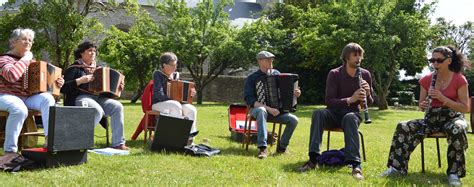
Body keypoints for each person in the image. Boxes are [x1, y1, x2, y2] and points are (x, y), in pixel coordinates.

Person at [381, 46, 470, 186]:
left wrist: (443, 98)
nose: (435, 64)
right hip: (431, 118)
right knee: (403, 126)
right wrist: (422, 105)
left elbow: (466, 107)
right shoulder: (426, 79)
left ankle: (454, 173)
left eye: (439, 60)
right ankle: (397, 168)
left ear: (449, 61)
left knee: (457, 129)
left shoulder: (460, 79)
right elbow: (422, 105)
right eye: (432, 60)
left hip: (453, 117)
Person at [297, 43, 373, 180]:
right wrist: (350, 99)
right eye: (355, 55)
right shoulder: (335, 74)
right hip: (333, 113)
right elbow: (329, 101)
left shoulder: (365, 74)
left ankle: (356, 165)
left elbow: (371, 102)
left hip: (352, 115)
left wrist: (367, 94)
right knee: (318, 113)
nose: (358, 58)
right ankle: (313, 160)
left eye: (360, 55)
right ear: (346, 57)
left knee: (350, 117)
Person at [0, 28, 64, 155]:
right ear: (13, 42)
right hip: (5, 95)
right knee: (19, 109)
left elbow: (41, 85)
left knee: (48, 98)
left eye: (30, 40)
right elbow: (11, 76)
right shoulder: (3, 59)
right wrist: (25, 59)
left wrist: (57, 83)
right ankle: (10, 151)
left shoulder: (32, 64)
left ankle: (50, 141)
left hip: (26, 98)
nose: (28, 42)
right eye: (24, 39)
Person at [61, 41, 128, 150]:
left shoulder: (100, 69)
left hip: (99, 98)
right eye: (89, 51)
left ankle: (118, 143)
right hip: (80, 97)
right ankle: (78, 139)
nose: (93, 53)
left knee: (117, 106)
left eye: (94, 51)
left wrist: (118, 88)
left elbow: (107, 90)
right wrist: (80, 80)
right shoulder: (74, 68)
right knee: (96, 110)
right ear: (81, 53)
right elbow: (63, 88)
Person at [243, 50, 301, 159]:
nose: (271, 61)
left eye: (272, 59)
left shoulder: (277, 74)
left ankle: (281, 148)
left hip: (277, 112)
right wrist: (269, 108)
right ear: (259, 61)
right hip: (257, 111)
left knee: (294, 120)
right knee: (261, 110)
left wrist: (295, 93)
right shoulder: (252, 78)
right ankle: (262, 148)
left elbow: (286, 92)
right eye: (267, 59)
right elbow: (249, 99)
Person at [151, 52, 198, 144]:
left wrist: (191, 94)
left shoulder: (176, 75)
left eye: (175, 65)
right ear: (164, 65)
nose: (175, 68)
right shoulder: (157, 74)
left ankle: (189, 139)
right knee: (175, 105)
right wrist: (174, 100)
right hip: (158, 103)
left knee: (191, 109)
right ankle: (174, 139)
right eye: (172, 65)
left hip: (175, 104)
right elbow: (159, 94)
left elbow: (182, 94)